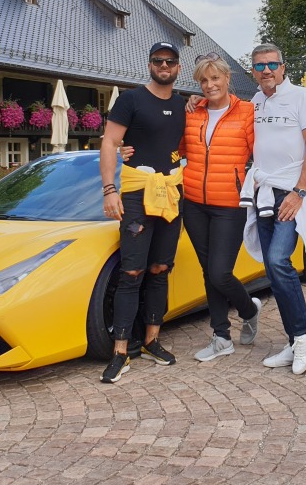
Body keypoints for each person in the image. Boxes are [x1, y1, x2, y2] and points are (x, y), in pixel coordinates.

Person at [122, 52, 262, 362]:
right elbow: (171, 148)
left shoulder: (247, 112)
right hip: (195, 203)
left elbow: (262, 154)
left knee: (219, 272)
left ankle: (249, 309)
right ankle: (221, 336)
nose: (210, 85)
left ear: (227, 79)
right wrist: (127, 147)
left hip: (230, 204)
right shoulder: (193, 112)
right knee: (207, 271)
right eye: (204, 80)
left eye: (215, 78)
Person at [97, 41, 188, 384]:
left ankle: (151, 340)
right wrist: (109, 189)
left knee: (160, 269)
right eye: (158, 60)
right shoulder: (130, 100)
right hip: (136, 192)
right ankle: (120, 351)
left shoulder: (182, 104)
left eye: (170, 61)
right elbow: (110, 142)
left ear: (178, 67)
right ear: (149, 64)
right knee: (132, 271)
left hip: (171, 191)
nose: (164, 66)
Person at [242, 42, 306, 375]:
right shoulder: (254, 101)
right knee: (271, 268)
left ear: (283, 67)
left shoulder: (302, 97)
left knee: (279, 260)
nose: (266, 70)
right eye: (259, 66)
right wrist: (196, 101)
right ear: (253, 71)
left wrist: (299, 192)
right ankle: (295, 339)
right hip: (263, 192)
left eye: (272, 64)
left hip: (290, 192)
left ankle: (305, 333)